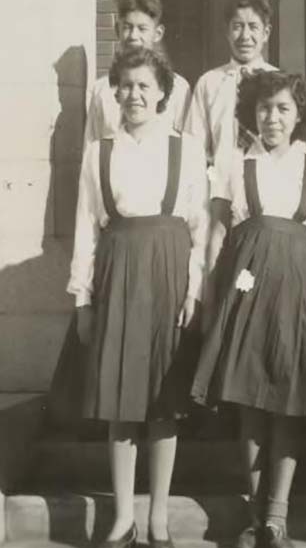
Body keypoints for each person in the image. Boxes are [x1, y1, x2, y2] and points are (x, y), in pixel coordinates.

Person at [67, 47, 208, 548]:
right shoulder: (98, 151)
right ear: (114, 91)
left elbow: (199, 228)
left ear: (163, 92)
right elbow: (87, 226)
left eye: (144, 85)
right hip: (118, 271)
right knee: (120, 398)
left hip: (169, 270)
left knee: (163, 401)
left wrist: (194, 289)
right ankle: (124, 517)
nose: (133, 95)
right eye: (125, 85)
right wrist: (82, 298)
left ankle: (160, 518)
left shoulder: (185, 149)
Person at [191, 70, 306, 548]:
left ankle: (277, 516)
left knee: (287, 399)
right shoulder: (234, 162)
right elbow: (218, 233)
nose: (273, 117)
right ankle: (253, 507)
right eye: (265, 108)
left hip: (297, 287)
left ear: (298, 114)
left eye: (284, 108)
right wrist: (209, 293)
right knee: (248, 397)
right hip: (245, 284)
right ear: (252, 113)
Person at [184, 0, 278, 179]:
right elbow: (193, 146)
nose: (245, 36)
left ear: (266, 33)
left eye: (253, 27)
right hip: (220, 188)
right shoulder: (208, 83)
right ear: (227, 32)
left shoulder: (279, 81)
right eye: (237, 27)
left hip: (268, 187)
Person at [85, 0, 191, 144]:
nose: (133, 36)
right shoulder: (101, 89)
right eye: (127, 27)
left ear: (158, 33)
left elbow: (185, 145)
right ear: (117, 30)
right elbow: (91, 145)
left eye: (142, 29)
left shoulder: (178, 88)